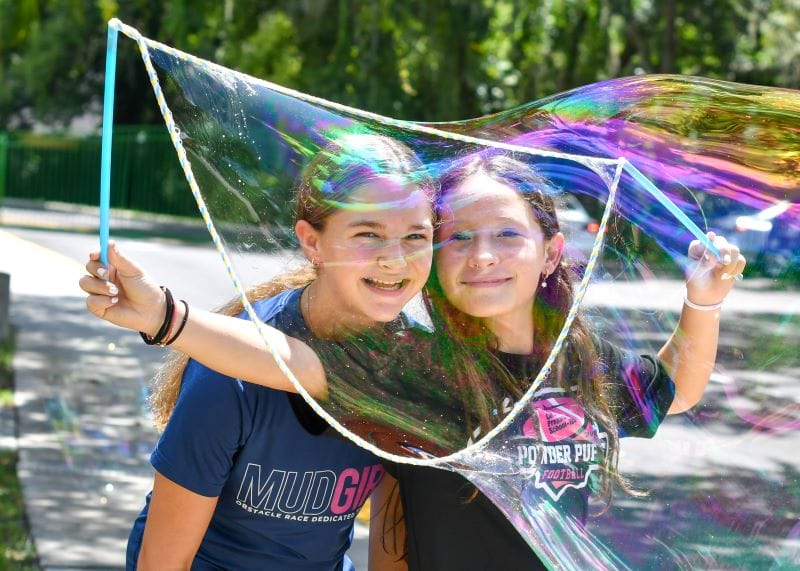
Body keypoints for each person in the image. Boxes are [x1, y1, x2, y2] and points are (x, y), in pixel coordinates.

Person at [367, 153, 747, 570]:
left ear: (551, 254)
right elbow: (391, 513)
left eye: (507, 234)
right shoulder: (411, 367)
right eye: (459, 237)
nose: (482, 256)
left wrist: (702, 301)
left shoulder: (582, 360)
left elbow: (673, 390)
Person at [80, 133, 437, 570]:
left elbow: (391, 544)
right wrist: (163, 316)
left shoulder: (418, 368)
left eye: (416, 236)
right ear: (312, 242)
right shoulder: (228, 373)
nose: (395, 260)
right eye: (368, 234)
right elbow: (162, 560)